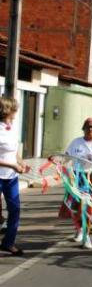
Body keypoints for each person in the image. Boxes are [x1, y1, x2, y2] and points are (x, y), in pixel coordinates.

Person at [61, 117, 92, 249]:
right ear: (83, 128)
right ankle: (79, 229)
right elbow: (66, 158)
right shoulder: (76, 143)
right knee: (77, 207)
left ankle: (86, 235)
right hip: (78, 177)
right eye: (88, 126)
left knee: (87, 207)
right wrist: (66, 170)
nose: (90, 129)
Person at [0, 97, 30, 256]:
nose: (16, 112)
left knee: (15, 210)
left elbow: (14, 151)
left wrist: (21, 162)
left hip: (11, 177)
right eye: (14, 109)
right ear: (6, 111)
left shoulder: (12, 127)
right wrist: (12, 165)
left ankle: (8, 243)